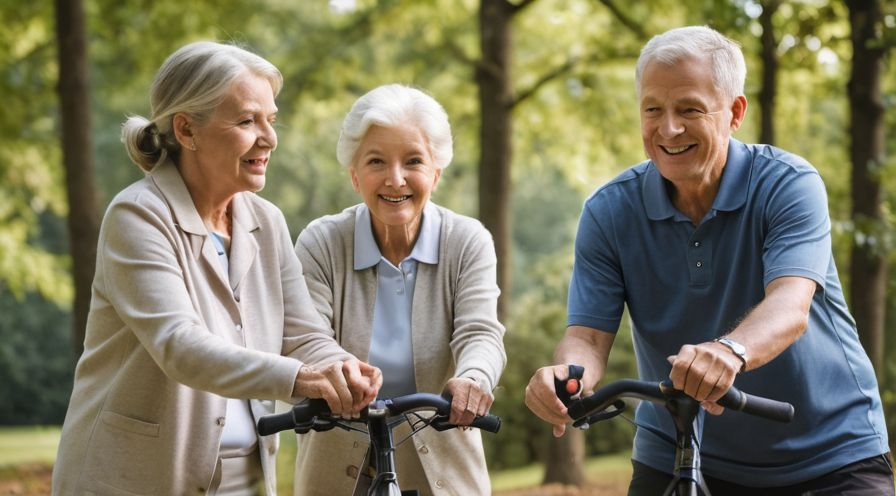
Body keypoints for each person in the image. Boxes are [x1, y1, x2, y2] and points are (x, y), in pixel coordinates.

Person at [525, 25, 893, 495]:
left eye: (689, 110)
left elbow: (790, 307)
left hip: (828, 451)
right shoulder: (609, 211)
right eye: (653, 109)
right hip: (680, 445)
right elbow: (588, 337)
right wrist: (567, 376)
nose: (668, 128)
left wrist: (729, 350)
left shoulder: (788, 184)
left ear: (735, 112)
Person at [51, 41, 381, 496]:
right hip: (132, 480)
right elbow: (180, 346)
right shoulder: (138, 216)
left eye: (271, 119)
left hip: (243, 478)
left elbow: (303, 334)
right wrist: (301, 378)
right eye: (247, 121)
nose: (269, 137)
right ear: (186, 130)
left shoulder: (266, 221)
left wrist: (340, 366)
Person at [291, 83, 507, 495]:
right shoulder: (321, 242)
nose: (395, 179)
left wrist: (473, 378)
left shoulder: (466, 240)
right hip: (335, 463)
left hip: (444, 463)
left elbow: (480, 332)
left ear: (435, 173)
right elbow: (306, 335)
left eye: (413, 161)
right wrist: (342, 372)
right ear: (355, 175)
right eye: (376, 161)